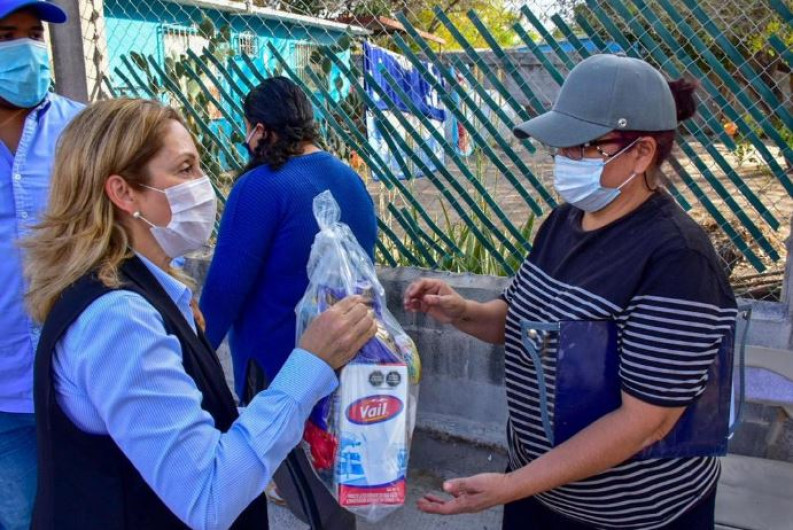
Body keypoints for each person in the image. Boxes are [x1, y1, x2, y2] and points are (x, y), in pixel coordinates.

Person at [406, 54, 737, 529]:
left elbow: (647, 421)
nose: (564, 160)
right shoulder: (564, 222)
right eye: (560, 147)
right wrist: (462, 312)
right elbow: (524, 320)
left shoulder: (677, 258)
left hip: (629, 515)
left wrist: (514, 486)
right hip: (539, 492)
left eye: (582, 147)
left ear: (642, 153)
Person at [23, 98, 377, 530]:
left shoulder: (140, 293)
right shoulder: (119, 321)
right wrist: (310, 362)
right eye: (185, 169)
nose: (203, 185)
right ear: (123, 192)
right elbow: (208, 493)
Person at [200, 76, 377, 529]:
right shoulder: (349, 178)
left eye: (248, 130)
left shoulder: (260, 187)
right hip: (348, 357)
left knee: (313, 497)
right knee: (330, 476)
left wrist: (192, 365)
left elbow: (222, 292)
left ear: (262, 130)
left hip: (281, 371)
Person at [0, 1, 84, 528]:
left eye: (35, 33)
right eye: (6, 34)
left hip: (76, 377)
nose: (26, 48)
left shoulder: (81, 131)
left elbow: (126, 225)